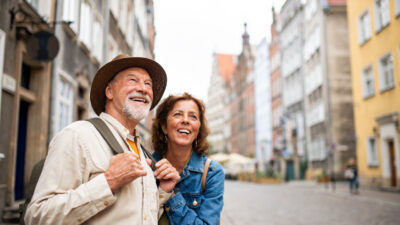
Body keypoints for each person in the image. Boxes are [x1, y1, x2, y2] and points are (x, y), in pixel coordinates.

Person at [25, 54, 180, 225]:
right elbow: (37, 216)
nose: (143, 88)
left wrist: (162, 192)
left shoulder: (143, 153)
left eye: (148, 83)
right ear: (109, 91)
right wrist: (109, 181)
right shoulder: (78, 135)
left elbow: (135, 216)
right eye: (132, 80)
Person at [151, 93, 224, 225]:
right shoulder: (148, 166)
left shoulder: (212, 172)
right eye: (178, 114)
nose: (186, 120)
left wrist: (171, 196)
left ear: (198, 129)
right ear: (164, 126)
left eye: (193, 116)